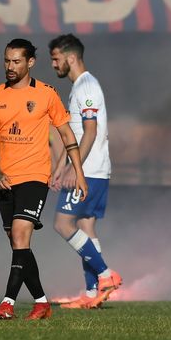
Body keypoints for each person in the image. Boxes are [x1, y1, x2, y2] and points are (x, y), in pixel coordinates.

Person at [0, 38, 88, 320]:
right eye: (6, 61)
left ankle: (7, 304)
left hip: (34, 177)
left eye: (16, 61)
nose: (10, 66)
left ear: (30, 62)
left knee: (19, 236)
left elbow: (67, 136)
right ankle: (42, 303)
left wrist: (78, 173)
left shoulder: (47, 94)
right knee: (18, 244)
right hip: (5, 179)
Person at [48, 34, 122, 309]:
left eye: (56, 59)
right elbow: (74, 133)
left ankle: (105, 274)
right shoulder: (80, 86)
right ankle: (92, 295)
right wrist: (59, 167)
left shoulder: (87, 87)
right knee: (86, 226)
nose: (54, 65)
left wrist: (72, 168)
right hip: (91, 168)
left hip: (88, 170)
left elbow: (90, 132)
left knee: (62, 223)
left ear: (70, 57)